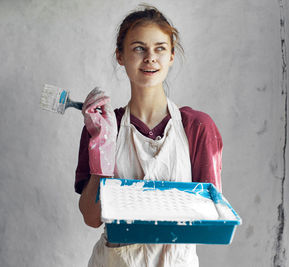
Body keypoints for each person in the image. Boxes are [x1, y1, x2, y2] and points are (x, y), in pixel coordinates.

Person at [74, 5, 223, 267]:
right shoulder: (103, 127)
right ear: (120, 56)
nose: (150, 58)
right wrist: (102, 150)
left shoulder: (198, 127)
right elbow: (91, 217)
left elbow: (210, 217)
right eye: (139, 48)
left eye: (160, 48)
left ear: (172, 56)